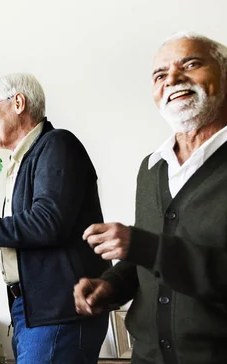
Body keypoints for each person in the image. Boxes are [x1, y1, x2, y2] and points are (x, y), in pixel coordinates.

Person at [0, 73, 111, 364]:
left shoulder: (57, 145)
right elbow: (26, 234)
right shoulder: (26, 159)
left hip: (59, 311)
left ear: (18, 103)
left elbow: (46, 224)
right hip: (34, 310)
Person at [74, 32, 227, 364]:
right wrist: (112, 285)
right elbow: (152, 254)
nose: (172, 78)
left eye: (191, 63)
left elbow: (152, 248)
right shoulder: (152, 167)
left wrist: (142, 245)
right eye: (160, 74)